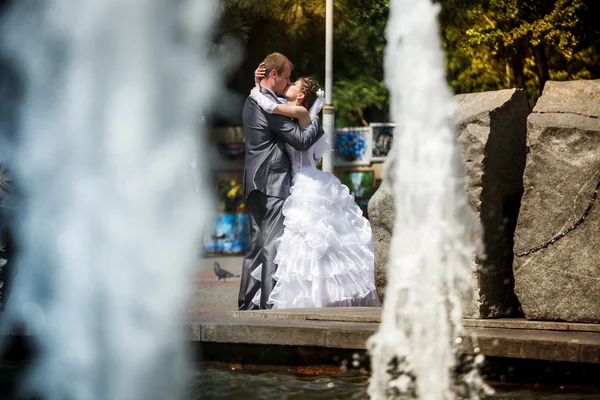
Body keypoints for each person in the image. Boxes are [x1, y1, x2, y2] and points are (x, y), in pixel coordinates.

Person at [248, 69, 381, 309]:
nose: (289, 84)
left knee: (312, 242)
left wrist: (255, 89)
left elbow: (270, 107)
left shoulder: (300, 112)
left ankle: (314, 296)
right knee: (302, 243)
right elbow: (273, 100)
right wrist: (261, 83)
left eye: (294, 83)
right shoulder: (298, 114)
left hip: (305, 182)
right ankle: (308, 295)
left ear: (300, 97)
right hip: (299, 181)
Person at [238, 53, 325, 310]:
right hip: (273, 182)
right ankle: (268, 306)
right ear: (273, 74)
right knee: (271, 246)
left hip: (254, 182)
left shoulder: (253, 99)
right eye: (286, 77)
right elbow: (300, 139)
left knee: (255, 245)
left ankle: (247, 304)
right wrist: (315, 120)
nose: (288, 83)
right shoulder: (269, 107)